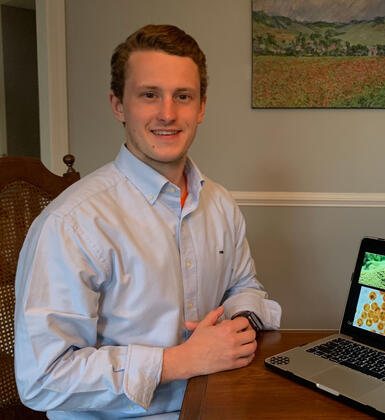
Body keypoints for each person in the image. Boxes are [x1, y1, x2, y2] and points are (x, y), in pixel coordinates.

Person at [14, 24, 281, 419]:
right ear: (119, 105)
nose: (168, 114)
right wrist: (180, 361)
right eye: (149, 95)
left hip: (216, 402)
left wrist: (238, 321)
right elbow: (42, 380)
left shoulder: (221, 204)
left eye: (183, 97)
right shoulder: (71, 224)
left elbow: (244, 286)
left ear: (201, 107)